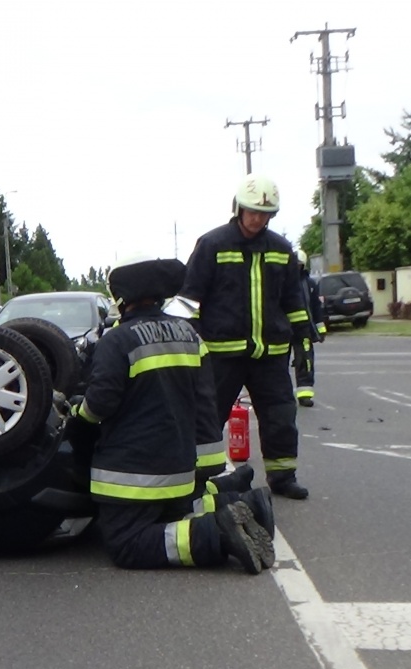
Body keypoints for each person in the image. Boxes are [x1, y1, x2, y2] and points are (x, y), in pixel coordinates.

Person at [69, 256, 275, 574]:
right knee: (171, 512)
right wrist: (207, 464)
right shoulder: (189, 335)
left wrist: (77, 415)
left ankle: (217, 534)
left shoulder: (117, 340)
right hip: (181, 469)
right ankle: (246, 503)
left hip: (132, 478)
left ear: (122, 300)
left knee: (127, 542)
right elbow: (207, 400)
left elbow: (100, 404)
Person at [173, 173, 314, 500]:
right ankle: (195, 477)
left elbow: (294, 299)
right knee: (208, 418)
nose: (257, 218)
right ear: (238, 208)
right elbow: (189, 298)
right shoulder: (212, 244)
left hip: (270, 354)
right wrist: (190, 340)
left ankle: (282, 475)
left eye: (265, 214)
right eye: (252, 211)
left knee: (280, 416)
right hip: (221, 354)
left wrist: (303, 337)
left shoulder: (281, 249)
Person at [292, 249, 327, 407]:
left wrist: (321, 329)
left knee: (305, 361)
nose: (296, 267)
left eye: (299, 265)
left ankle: (304, 394)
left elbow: (316, 308)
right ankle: (281, 395)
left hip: (304, 329)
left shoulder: (310, 284)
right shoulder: (280, 281)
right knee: (277, 365)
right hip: (282, 330)